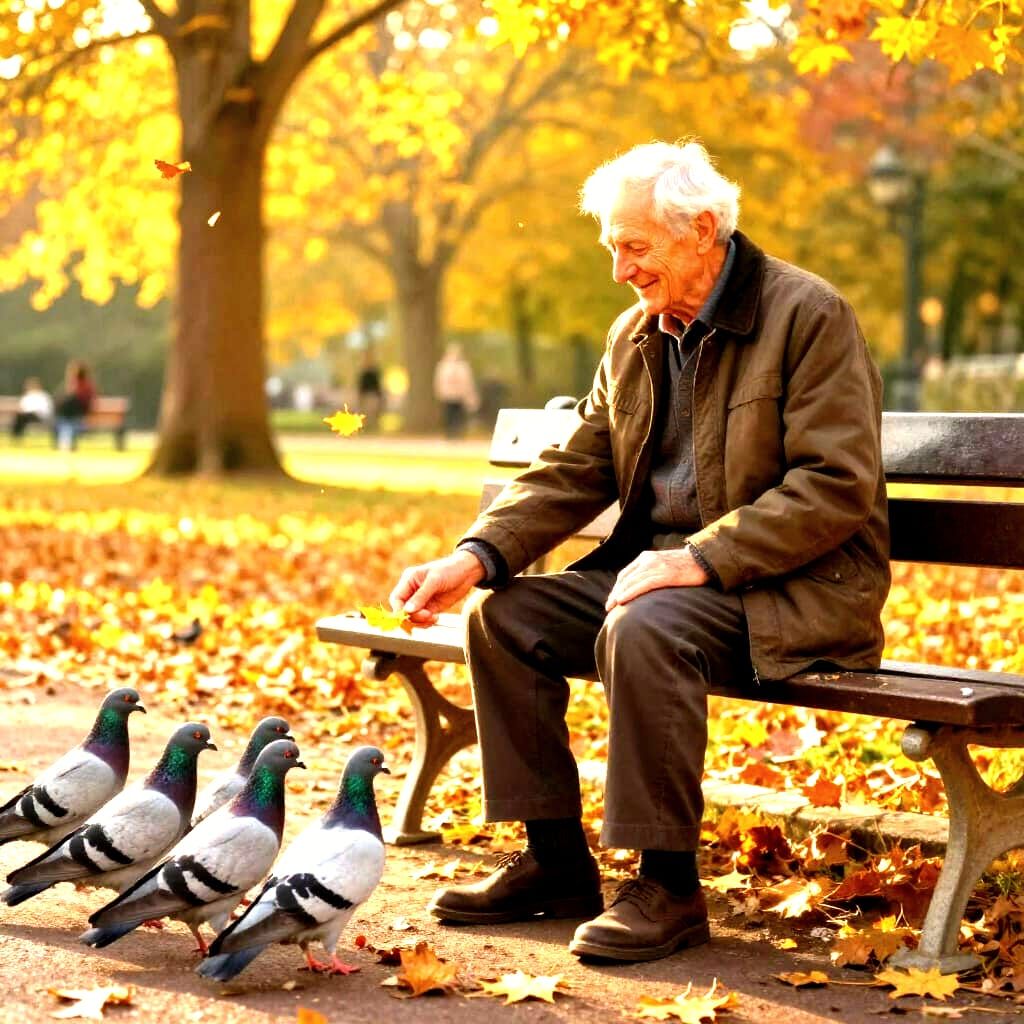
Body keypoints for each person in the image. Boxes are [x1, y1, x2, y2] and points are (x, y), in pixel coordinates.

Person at [389, 140, 890, 965]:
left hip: (792, 586)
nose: (620, 270)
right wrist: (476, 556)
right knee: (506, 618)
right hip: (662, 577)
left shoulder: (809, 315)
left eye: (635, 246)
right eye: (611, 248)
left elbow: (836, 485)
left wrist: (701, 555)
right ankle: (554, 861)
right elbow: (577, 466)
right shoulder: (636, 334)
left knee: (644, 627)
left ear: (702, 230)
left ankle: (668, 884)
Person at [433, 343, 478, 439]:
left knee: (458, 416)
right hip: (448, 396)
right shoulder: (443, 366)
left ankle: (458, 433)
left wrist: (469, 394)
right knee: (449, 415)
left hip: (459, 396)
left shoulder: (463, 367)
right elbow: (439, 381)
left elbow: (468, 382)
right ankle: (450, 433)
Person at [54, 360, 96, 451]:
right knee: (65, 424)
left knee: (66, 424)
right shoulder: (81, 384)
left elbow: (82, 400)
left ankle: (65, 444)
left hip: (76, 414)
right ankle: (66, 444)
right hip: (71, 415)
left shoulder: (81, 386)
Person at [356, 350, 384, 433]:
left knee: (374, 414)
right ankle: (366, 429)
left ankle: (374, 429)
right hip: (366, 395)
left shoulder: (375, 373)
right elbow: (361, 386)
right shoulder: (364, 373)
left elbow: (378, 386)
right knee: (365, 414)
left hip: (373, 395)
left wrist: (380, 396)